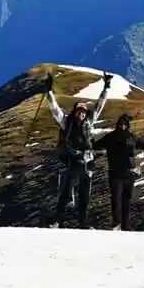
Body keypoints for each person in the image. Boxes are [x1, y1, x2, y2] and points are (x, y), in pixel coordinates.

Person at [46, 72, 112, 228]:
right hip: (74, 162)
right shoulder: (66, 123)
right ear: (75, 112)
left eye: (83, 112)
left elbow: (100, 105)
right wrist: (49, 91)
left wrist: (106, 87)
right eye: (78, 111)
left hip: (87, 163)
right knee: (66, 193)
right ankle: (57, 220)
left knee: (85, 196)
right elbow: (55, 110)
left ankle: (82, 223)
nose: (81, 114)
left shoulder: (89, 121)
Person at [94, 114, 144, 231]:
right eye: (121, 124)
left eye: (123, 124)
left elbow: (95, 145)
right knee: (120, 200)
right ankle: (120, 224)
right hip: (122, 172)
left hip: (122, 172)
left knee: (122, 200)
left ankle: (121, 225)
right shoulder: (126, 137)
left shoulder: (116, 137)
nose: (122, 126)